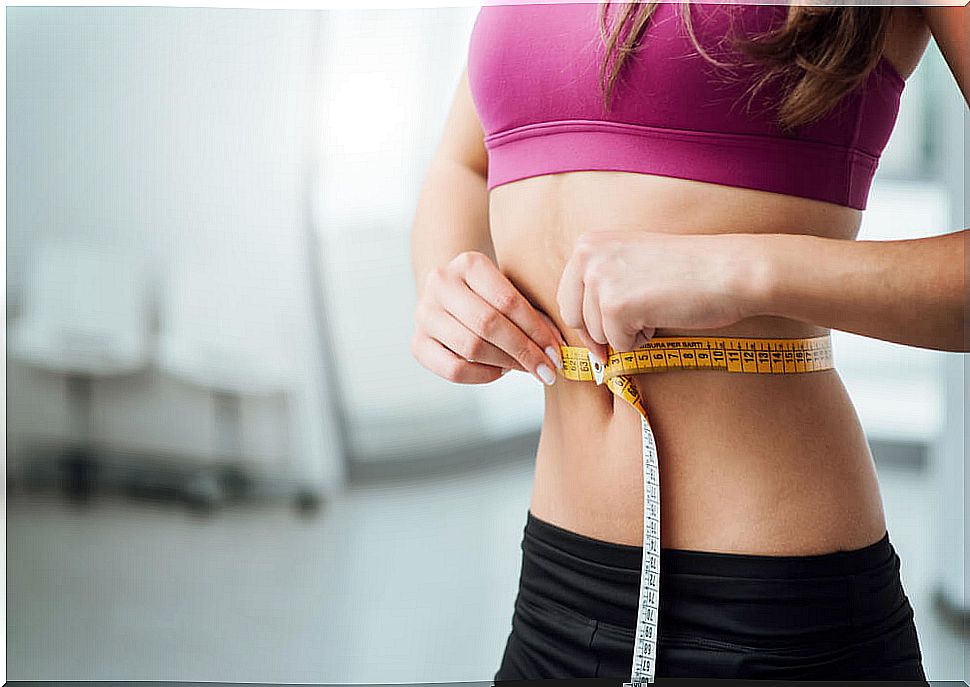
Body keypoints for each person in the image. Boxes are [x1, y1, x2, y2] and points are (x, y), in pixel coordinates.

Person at [409, 1, 968, 680]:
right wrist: (444, 280)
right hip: (552, 588)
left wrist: (738, 268)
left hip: (770, 615)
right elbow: (463, 162)